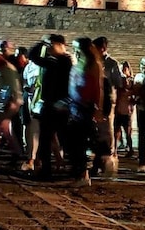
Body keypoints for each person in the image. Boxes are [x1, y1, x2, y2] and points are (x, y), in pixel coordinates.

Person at [29, 34, 72, 180]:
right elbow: (32, 55)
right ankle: (46, 169)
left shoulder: (65, 61)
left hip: (61, 105)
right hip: (49, 104)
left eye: (51, 45)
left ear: (59, 45)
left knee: (63, 138)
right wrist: (43, 43)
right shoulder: (53, 60)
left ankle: (74, 168)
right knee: (45, 139)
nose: (48, 48)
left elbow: (34, 56)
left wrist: (43, 43)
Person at [67, 37, 105, 187]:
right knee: (75, 142)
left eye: (78, 48)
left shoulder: (93, 65)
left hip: (85, 107)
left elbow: (98, 88)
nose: (75, 51)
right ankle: (82, 172)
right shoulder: (77, 64)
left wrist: (98, 108)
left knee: (80, 142)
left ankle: (84, 174)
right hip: (74, 106)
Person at [92, 36, 120, 175]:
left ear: (102, 48)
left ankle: (106, 163)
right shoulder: (93, 62)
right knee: (96, 133)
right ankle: (99, 161)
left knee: (106, 132)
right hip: (94, 102)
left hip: (107, 103)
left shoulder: (112, 64)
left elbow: (118, 83)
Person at [114, 61, 135, 158]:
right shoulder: (119, 82)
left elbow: (134, 95)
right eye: (121, 69)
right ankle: (114, 150)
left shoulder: (131, 82)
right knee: (116, 131)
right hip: (119, 110)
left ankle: (130, 149)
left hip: (127, 111)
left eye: (124, 69)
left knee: (128, 132)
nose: (123, 71)